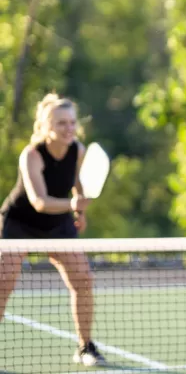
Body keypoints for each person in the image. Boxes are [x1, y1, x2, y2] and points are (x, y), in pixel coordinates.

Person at [0, 93, 107, 367]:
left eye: (72, 123)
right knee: (4, 282)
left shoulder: (78, 150)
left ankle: (85, 347)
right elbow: (39, 201)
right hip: (20, 223)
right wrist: (73, 204)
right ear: (46, 126)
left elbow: (78, 184)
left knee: (83, 280)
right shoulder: (32, 155)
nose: (68, 128)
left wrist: (79, 212)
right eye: (61, 123)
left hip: (58, 224)